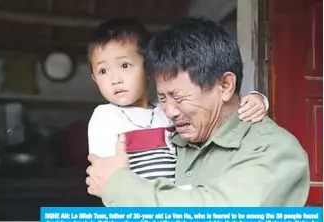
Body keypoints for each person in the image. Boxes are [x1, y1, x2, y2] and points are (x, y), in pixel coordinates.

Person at [87, 18, 268, 181]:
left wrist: (257, 100)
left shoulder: (166, 110)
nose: (115, 79)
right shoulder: (105, 117)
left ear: (149, 68)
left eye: (125, 65)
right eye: (103, 71)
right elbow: (105, 176)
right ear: (94, 78)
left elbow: (226, 105)